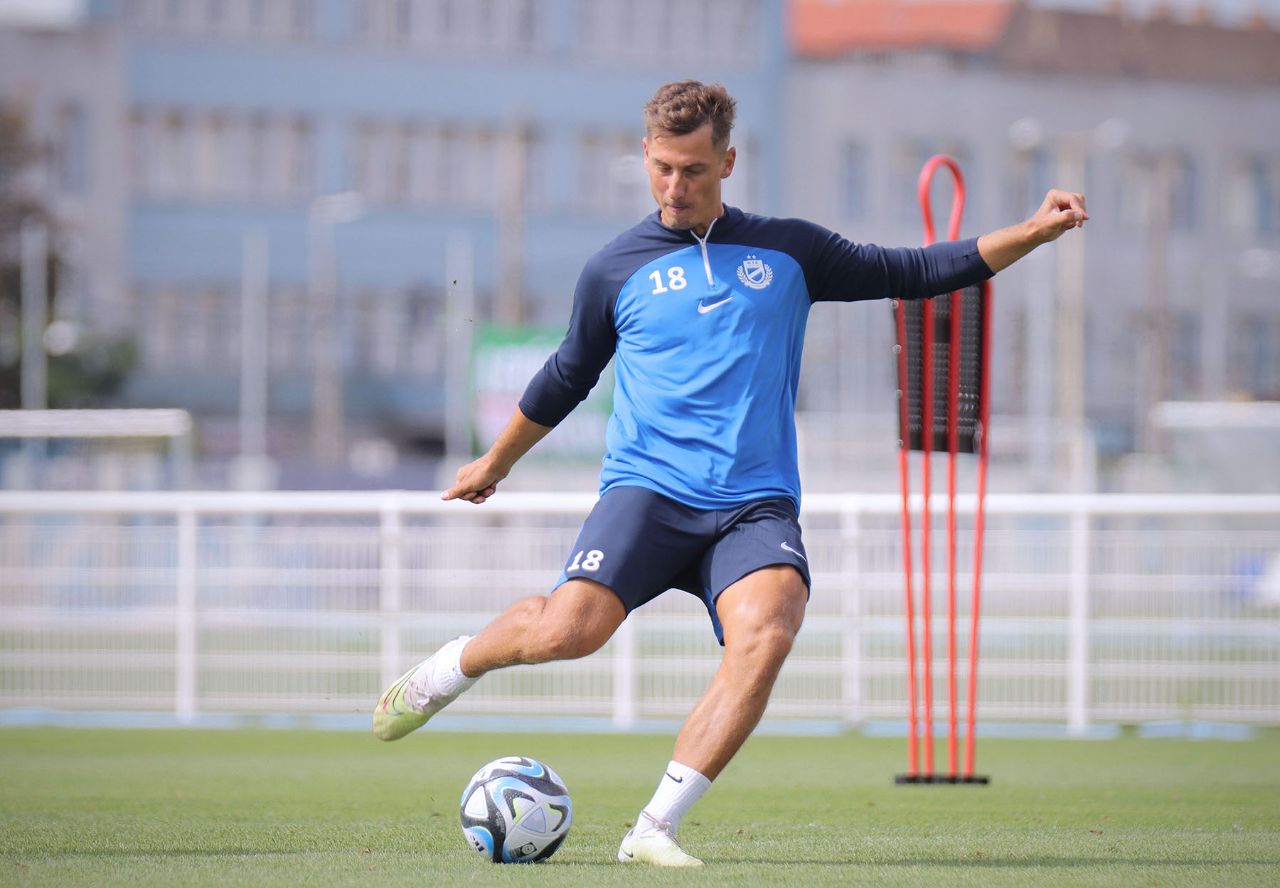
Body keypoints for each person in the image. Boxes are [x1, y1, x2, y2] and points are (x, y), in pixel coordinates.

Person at [373, 80, 1087, 867]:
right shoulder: (613, 269)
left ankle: (654, 829)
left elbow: (915, 269)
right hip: (648, 494)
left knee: (769, 629)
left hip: (753, 505)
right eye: (663, 168)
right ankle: (453, 666)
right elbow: (566, 376)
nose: (675, 187)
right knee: (568, 633)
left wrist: (1032, 231)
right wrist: (495, 461)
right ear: (646, 157)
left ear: (728, 163)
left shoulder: (790, 252)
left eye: (694, 171)